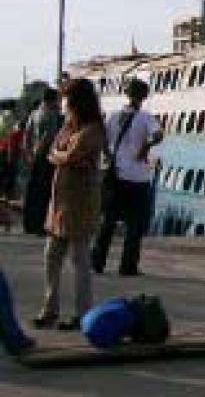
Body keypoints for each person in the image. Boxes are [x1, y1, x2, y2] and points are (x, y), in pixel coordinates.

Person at [35, 78, 106, 331]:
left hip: (80, 201)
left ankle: (82, 313)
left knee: (79, 259)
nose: (64, 105)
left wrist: (61, 156)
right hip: (61, 201)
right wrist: (62, 155)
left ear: (78, 102)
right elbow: (53, 151)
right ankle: (50, 308)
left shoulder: (93, 129)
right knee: (51, 255)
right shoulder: (69, 125)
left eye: (67, 100)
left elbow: (70, 155)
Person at [91, 78, 163, 276]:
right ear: (144, 96)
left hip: (116, 175)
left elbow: (102, 138)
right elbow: (158, 135)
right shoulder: (146, 117)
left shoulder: (113, 116)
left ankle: (97, 261)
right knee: (134, 224)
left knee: (108, 220)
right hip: (138, 178)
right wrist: (146, 147)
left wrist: (109, 155)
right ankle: (128, 266)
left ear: (127, 94)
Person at [22, 88, 63, 235]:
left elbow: (26, 136)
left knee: (32, 191)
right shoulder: (51, 114)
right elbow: (49, 137)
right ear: (52, 100)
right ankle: (40, 224)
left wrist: (29, 155)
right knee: (45, 192)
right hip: (46, 157)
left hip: (33, 157)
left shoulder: (34, 114)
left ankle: (29, 223)